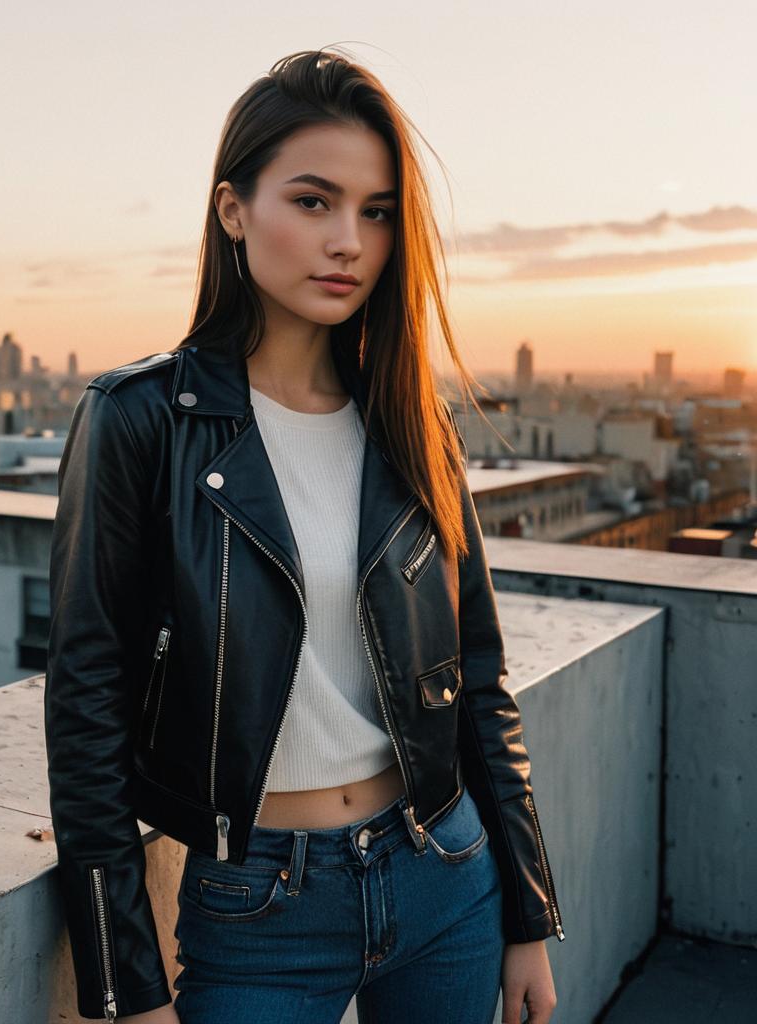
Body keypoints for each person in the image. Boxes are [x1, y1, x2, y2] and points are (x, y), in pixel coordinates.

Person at [45, 47, 564, 1024]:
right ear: (233, 208)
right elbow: (86, 707)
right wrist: (126, 987)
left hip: (445, 876)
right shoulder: (139, 420)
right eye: (314, 200)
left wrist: (527, 913)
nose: (349, 242)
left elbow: (478, 678)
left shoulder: (413, 420)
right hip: (257, 910)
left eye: (375, 211)